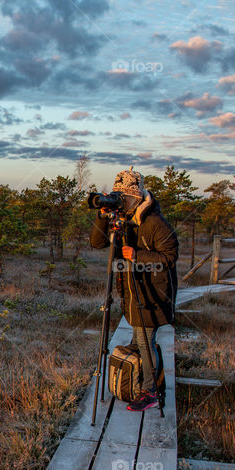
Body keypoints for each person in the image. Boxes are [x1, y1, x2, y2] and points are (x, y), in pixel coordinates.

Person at [90, 166, 179, 412]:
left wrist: (137, 255)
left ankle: (150, 391)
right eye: (118, 195)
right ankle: (148, 377)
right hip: (131, 290)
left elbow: (170, 256)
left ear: (138, 196)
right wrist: (102, 214)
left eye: (125, 197)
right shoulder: (123, 219)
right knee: (140, 340)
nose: (122, 201)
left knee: (143, 338)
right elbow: (96, 242)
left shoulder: (154, 223)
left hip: (153, 292)